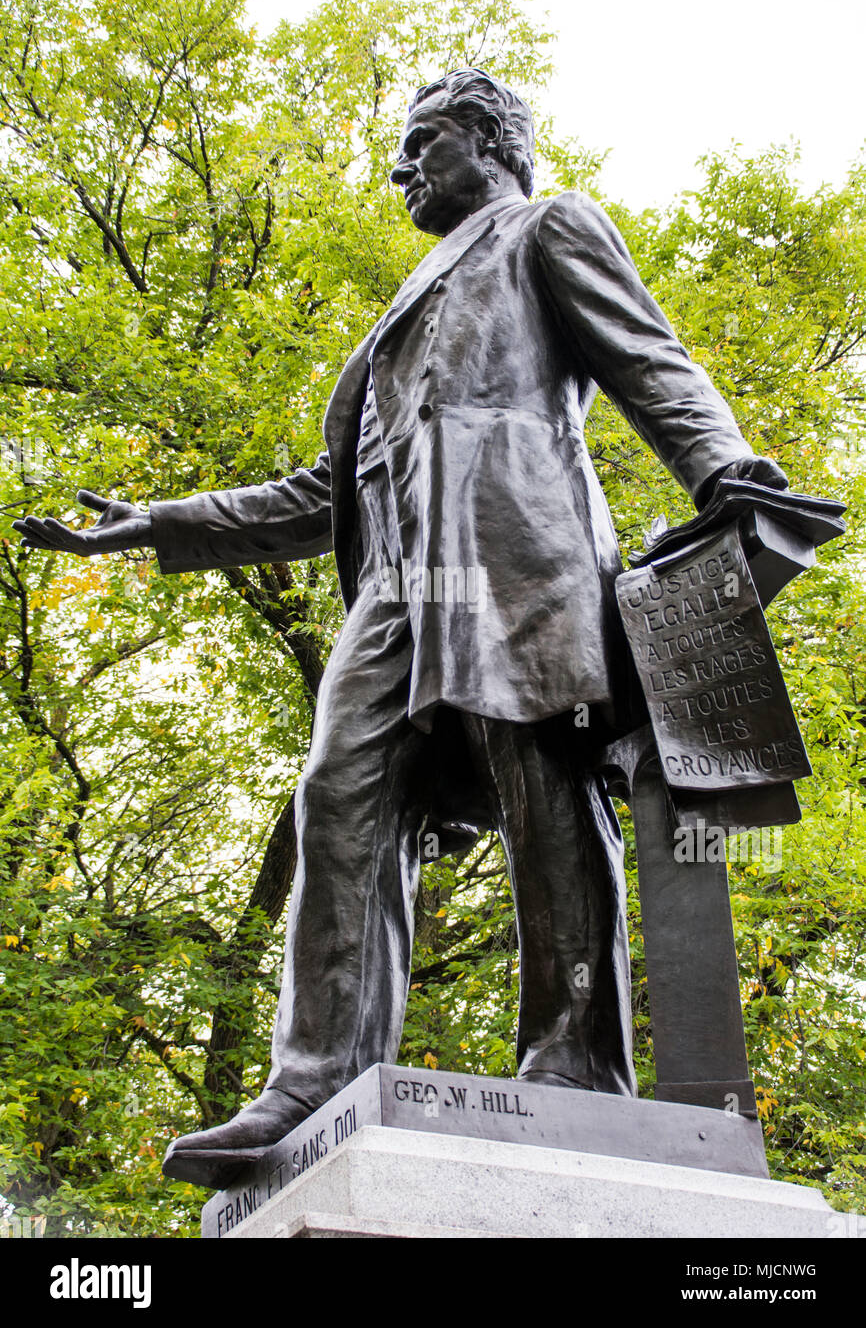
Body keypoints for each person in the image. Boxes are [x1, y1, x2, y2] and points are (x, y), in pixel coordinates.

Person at [15, 69, 787, 1186]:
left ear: (487, 140)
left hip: (518, 550)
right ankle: (316, 1073)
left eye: (420, 142)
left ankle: (572, 1062)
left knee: (544, 788)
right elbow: (320, 489)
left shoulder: (543, 228)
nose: (396, 167)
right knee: (337, 791)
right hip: (398, 587)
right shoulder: (399, 316)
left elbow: (647, 360)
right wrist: (157, 524)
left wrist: (724, 471)